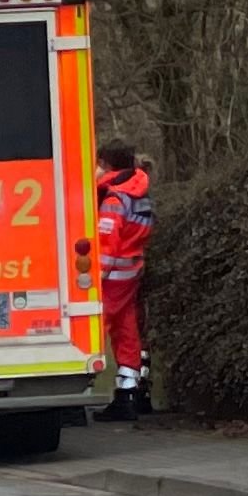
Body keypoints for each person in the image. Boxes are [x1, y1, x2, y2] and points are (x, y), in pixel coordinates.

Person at [94, 140, 153, 418]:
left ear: (106, 165)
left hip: (111, 278)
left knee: (92, 330)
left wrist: (93, 279)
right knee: (126, 329)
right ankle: (128, 392)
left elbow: (107, 245)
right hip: (130, 273)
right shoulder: (139, 193)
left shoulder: (115, 200)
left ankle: (74, 395)